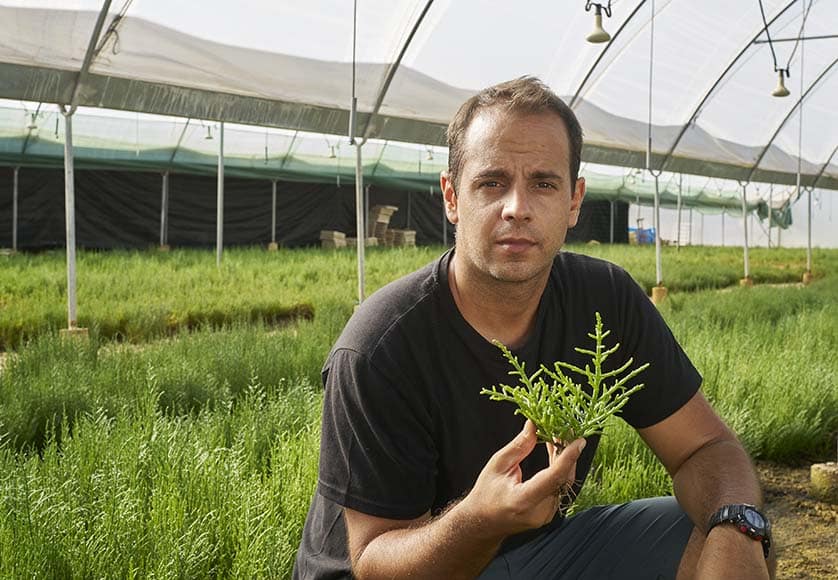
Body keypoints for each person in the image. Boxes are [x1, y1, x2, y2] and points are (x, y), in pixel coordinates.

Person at [293, 76, 775, 580]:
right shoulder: (380, 346)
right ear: (452, 196)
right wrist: (478, 522)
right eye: (492, 182)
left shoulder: (603, 301)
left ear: (573, 201)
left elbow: (705, 447)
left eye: (543, 183)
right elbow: (374, 562)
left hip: (532, 553)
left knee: (735, 535)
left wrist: (736, 531)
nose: (517, 207)